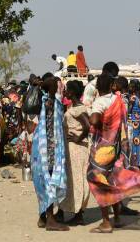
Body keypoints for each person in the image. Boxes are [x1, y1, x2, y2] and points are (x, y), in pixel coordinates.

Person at [87, 73, 140, 234]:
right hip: (116, 147)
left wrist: (94, 123)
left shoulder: (100, 102)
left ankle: (106, 223)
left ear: (97, 87)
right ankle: (117, 217)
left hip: (103, 147)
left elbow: (94, 120)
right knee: (111, 180)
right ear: (111, 86)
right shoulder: (118, 100)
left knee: (97, 181)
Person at [31, 77, 68, 231]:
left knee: (41, 180)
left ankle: (42, 217)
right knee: (50, 181)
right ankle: (51, 220)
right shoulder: (51, 102)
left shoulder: (41, 101)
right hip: (49, 148)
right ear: (52, 88)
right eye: (56, 86)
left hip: (38, 146)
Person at [58, 80, 90, 225]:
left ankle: (79, 214)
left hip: (76, 149)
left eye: (66, 90)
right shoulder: (75, 107)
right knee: (74, 180)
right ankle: (73, 211)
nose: (65, 92)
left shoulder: (78, 109)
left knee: (77, 180)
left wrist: (78, 137)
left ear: (72, 92)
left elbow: (87, 125)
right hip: (74, 148)